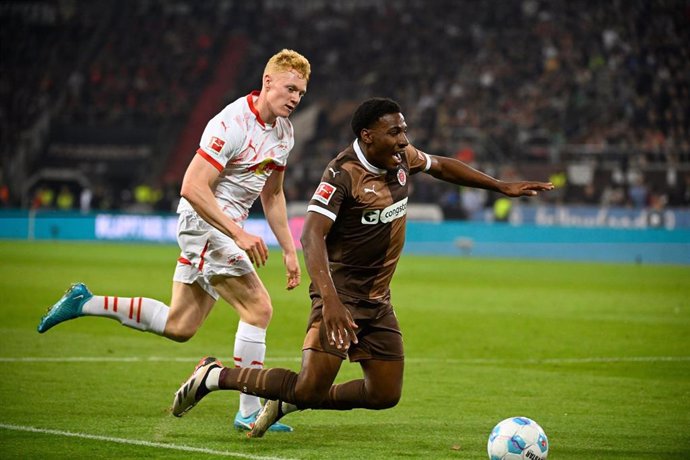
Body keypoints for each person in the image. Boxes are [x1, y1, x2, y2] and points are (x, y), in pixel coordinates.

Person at [170, 97, 554, 437]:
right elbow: (311, 237)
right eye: (395, 133)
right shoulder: (342, 174)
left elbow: (441, 166)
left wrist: (500, 186)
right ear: (368, 135)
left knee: (385, 394)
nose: (403, 140)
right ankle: (214, 377)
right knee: (308, 388)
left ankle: (285, 403)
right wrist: (330, 301)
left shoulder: (401, 157)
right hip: (341, 297)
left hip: (378, 299)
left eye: (404, 131)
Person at [36, 49, 311, 433]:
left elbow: (274, 194)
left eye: (301, 92)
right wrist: (238, 233)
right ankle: (248, 410)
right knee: (258, 309)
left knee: (180, 325)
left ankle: (85, 301)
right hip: (204, 223)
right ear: (268, 82)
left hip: (223, 230)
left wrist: (288, 248)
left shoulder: (284, 132)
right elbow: (192, 186)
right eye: (290, 88)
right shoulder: (231, 122)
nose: (296, 98)